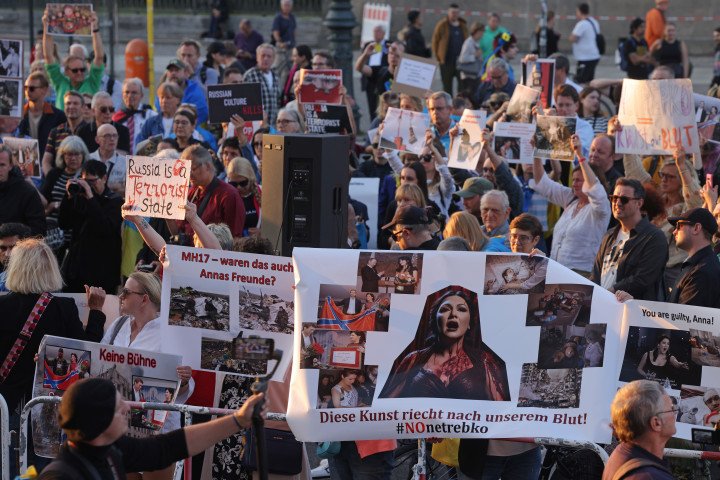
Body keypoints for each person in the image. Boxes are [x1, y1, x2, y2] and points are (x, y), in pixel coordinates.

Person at [0, 239, 106, 477]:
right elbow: (86, 354)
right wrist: (96, 312)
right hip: (46, 411)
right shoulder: (62, 308)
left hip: (5, 406)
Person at [37, 377, 263, 480]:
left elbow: (168, 447)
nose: (127, 407)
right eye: (118, 407)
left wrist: (239, 420)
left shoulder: (111, 449)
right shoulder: (61, 475)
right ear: (101, 422)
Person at [380, 285, 509, 400]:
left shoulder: (484, 361)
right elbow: (388, 407)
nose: (453, 314)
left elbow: (501, 412)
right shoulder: (413, 359)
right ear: (435, 320)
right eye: (445, 309)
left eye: (461, 310)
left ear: (469, 323)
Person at [531, 135, 611, 274]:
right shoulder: (571, 199)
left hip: (581, 276)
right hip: (556, 272)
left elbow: (595, 188)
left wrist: (579, 154)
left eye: (579, 180)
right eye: (573, 180)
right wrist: (537, 151)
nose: (574, 184)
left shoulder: (600, 208)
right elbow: (541, 183)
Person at [592, 179, 668, 300]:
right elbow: (596, 274)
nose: (617, 203)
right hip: (603, 306)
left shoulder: (654, 237)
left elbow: (643, 278)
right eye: (614, 198)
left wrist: (609, 292)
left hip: (631, 311)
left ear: (639, 203)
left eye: (624, 199)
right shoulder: (609, 235)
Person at [59, 159, 122, 293]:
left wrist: (91, 198)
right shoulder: (79, 197)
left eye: (92, 181)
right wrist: (68, 198)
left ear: (104, 178)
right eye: (85, 181)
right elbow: (64, 223)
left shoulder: (114, 201)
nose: (89, 186)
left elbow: (104, 229)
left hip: (102, 272)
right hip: (76, 270)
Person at [602, 380, 675, 480]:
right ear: (656, 423)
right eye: (671, 409)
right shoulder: (650, 476)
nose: (675, 413)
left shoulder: (622, 452)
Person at [174, 145, 245, 240]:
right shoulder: (190, 192)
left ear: (207, 166)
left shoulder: (229, 195)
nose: (188, 173)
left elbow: (234, 239)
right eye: (185, 169)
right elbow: (178, 232)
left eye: (192, 168)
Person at [42, 8, 105, 111]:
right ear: (66, 71)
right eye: (75, 70)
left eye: (82, 69)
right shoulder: (60, 82)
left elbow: (99, 57)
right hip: (62, 125)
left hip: (86, 125)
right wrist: (46, 26)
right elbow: (48, 56)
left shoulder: (92, 82)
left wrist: (95, 28)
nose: (80, 72)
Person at [666, 208, 720, 307]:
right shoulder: (698, 265)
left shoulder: (702, 271)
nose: (674, 232)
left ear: (696, 228)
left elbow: (684, 318)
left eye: (679, 226)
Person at [0, 145, 46, 236]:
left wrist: (15, 231)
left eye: (2, 165)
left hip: (17, 248)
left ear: (10, 166)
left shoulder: (27, 192)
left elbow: (39, 232)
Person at [16, 71, 66, 154]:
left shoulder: (58, 116)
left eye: (32, 88)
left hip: (48, 163)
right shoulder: (19, 114)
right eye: (25, 87)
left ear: (44, 90)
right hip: (24, 163)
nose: (27, 91)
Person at [42, 91, 87, 175]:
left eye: (75, 103)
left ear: (83, 107)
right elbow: (46, 162)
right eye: (68, 103)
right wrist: (51, 179)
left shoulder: (91, 131)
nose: (71, 106)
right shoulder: (55, 132)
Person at [154, 59, 208, 125]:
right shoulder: (162, 91)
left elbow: (202, 115)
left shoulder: (194, 91)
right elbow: (159, 111)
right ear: (167, 74)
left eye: (177, 70)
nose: (173, 73)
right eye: (171, 71)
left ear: (185, 73)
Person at [112, 77, 157, 153]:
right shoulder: (116, 117)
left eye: (134, 93)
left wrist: (141, 156)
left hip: (144, 159)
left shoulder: (151, 116)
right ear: (122, 95)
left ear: (141, 95)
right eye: (127, 92)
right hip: (121, 159)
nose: (130, 96)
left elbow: (156, 140)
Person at [431, 4, 468, 95]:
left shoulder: (463, 26)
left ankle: (460, 104)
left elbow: (467, 41)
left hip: (460, 62)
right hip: (446, 62)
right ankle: (448, 105)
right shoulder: (442, 25)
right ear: (448, 13)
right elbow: (435, 41)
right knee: (447, 87)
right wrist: (439, 57)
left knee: (462, 86)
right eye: (453, 12)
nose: (454, 15)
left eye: (456, 13)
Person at [243, 43, 280, 126]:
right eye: (263, 55)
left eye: (269, 56)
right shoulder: (249, 75)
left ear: (273, 59)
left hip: (272, 126)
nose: (266, 59)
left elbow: (277, 101)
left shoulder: (276, 76)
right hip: (256, 126)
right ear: (257, 57)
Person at [225, 156, 261, 236]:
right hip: (235, 246)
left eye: (243, 183)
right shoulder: (225, 197)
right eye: (233, 184)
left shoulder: (262, 192)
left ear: (251, 178)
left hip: (260, 245)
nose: (238, 187)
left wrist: (263, 232)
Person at [89, 123, 126, 195]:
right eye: (107, 136)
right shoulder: (88, 159)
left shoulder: (126, 162)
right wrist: (112, 187)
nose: (112, 139)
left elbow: (126, 190)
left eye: (115, 135)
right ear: (97, 139)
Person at [568, 3, 601, 84]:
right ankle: (589, 95)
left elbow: (573, 38)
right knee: (589, 81)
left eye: (577, 12)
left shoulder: (582, 24)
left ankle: (584, 96)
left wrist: (570, 37)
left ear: (580, 11)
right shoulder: (594, 21)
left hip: (585, 58)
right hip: (593, 55)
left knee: (580, 81)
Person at [271, 0, 297, 90]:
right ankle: (275, 88)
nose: (287, 7)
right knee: (278, 68)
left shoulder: (292, 17)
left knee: (288, 70)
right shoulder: (278, 18)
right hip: (281, 48)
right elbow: (275, 32)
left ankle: (284, 90)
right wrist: (280, 42)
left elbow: (294, 31)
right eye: (285, 5)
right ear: (282, 6)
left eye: (289, 5)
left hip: (291, 47)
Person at [0, 222, 31, 292]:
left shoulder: (42, 280)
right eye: (3, 248)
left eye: (13, 248)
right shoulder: (1, 279)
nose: (7, 254)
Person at [457, 22, 484, 96]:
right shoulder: (468, 43)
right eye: (481, 33)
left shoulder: (476, 42)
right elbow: (462, 59)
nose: (482, 35)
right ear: (477, 32)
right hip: (468, 77)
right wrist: (475, 55)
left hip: (474, 75)